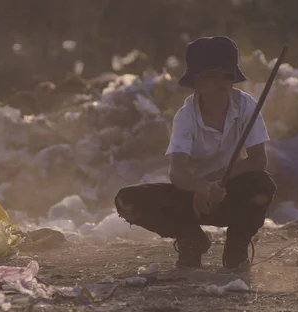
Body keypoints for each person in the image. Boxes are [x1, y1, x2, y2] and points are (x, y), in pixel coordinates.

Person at [114, 36, 276, 270]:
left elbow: (258, 160)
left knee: (262, 185)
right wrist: (202, 188)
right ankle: (191, 239)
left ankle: (236, 246)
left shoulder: (246, 106)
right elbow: (177, 173)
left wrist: (218, 181)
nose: (221, 82)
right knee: (127, 200)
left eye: (227, 76)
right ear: (196, 82)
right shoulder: (185, 116)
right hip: (191, 200)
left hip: (230, 194)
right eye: (212, 76)